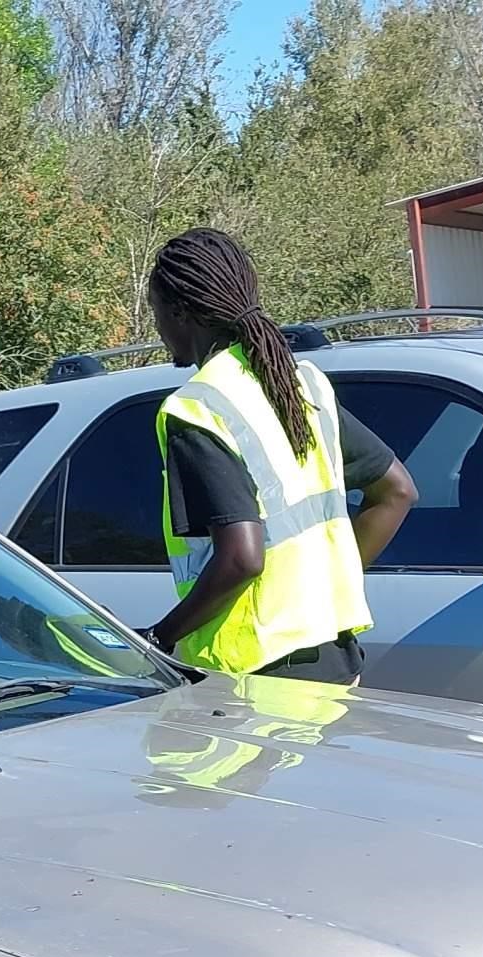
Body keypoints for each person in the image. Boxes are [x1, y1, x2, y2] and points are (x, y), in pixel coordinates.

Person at [142, 228, 417, 682]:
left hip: (259, 675)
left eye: (155, 312)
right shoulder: (300, 384)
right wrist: (329, 581)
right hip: (335, 656)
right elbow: (397, 492)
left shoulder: (197, 407)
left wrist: (161, 637)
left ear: (180, 312)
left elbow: (242, 558)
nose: (157, 327)